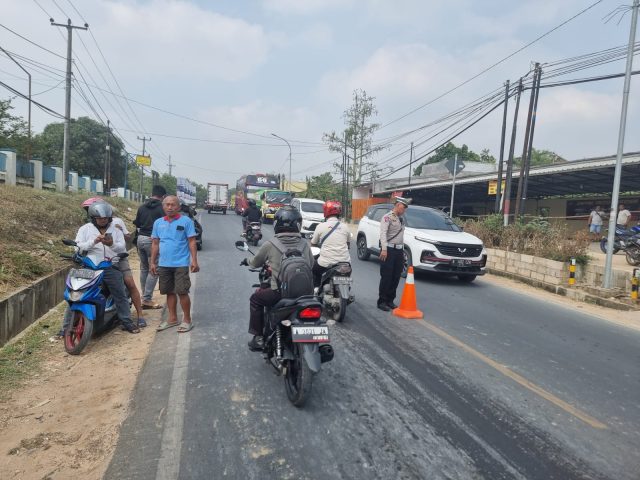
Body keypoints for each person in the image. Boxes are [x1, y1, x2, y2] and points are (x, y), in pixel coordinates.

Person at [240, 206, 313, 352]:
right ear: (298, 224)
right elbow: (311, 264)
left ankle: (259, 337)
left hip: (279, 293)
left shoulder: (270, 244)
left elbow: (255, 262)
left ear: (276, 224)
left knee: (255, 299)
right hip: (305, 294)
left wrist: (247, 261)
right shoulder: (305, 244)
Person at [73, 201, 140, 333]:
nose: (102, 221)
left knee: (119, 293)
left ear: (109, 218)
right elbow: (78, 247)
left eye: (105, 218)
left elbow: (121, 247)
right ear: (93, 218)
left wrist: (111, 244)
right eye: (99, 218)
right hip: (89, 267)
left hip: (109, 266)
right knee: (76, 293)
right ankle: (65, 328)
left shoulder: (115, 230)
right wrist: (94, 242)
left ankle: (126, 321)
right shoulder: (85, 229)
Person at [150, 195, 200, 333]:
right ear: (163, 206)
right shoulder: (158, 223)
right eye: (167, 204)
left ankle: (187, 320)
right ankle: (172, 319)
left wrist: (194, 260)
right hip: (164, 264)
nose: (170, 207)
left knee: (182, 292)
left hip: (181, 263)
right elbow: (155, 243)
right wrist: (152, 262)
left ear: (178, 207)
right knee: (169, 292)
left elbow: (191, 241)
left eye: (173, 205)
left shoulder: (186, 221)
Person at [134, 184, 167, 310]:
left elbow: (137, 223)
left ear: (152, 193)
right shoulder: (162, 208)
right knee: (154, 269)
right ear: (163, 197)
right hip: (153, 240)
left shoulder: (142, 207)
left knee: (144, 269)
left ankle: (145, 296)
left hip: (140, 239)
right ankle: (147, 299)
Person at [310, 200, 352, 291]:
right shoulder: (345, 227)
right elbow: (348, 245)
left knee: (314, 270)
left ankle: (316, 289)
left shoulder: (320, 226)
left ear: (326, 212)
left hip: (325, 263)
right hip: (345, 263)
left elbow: (313, 244)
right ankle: (347, 286)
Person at [378, 197, 411, 312]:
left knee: (396, 276)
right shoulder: (387, 217)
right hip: (389, 250)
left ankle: (390, 300)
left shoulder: (401, 219)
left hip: (399, 251)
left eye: (405, 209)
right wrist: (384, 249)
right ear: (397, 205)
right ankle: (382, 301)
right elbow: (383, 234)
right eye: (402, 208)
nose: (403, 211)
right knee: (386, 276)